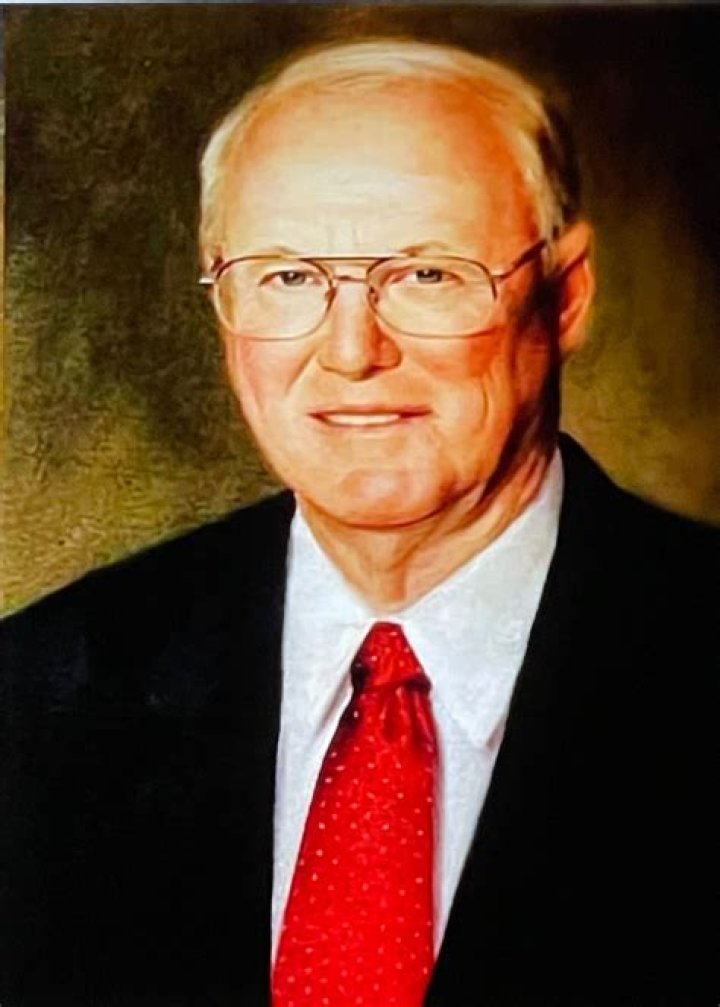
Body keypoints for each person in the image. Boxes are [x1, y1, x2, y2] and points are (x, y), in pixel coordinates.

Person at [1, 37, 716, 1007]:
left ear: (565, 295)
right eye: (288, 277)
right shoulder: (42, 691)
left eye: (428, 275)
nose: (351, 351)